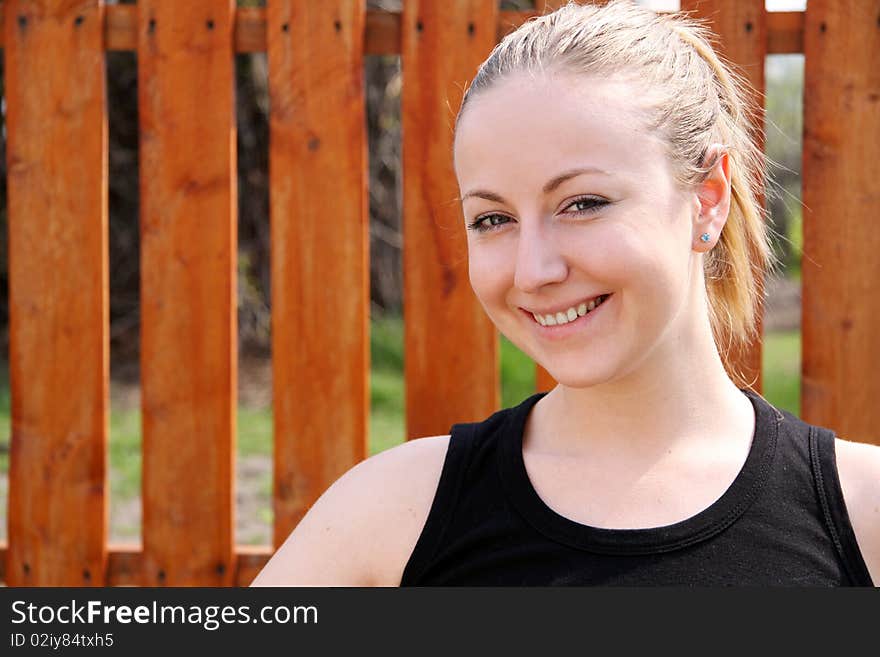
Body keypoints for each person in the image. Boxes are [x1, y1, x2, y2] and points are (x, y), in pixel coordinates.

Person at [252, 0, 879, 586]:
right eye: (492, 219)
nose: (533, 270)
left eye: (583, 204)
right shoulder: (391, 517)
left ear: (706, 199)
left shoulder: (863, 516)